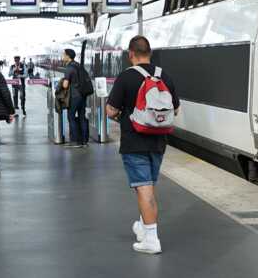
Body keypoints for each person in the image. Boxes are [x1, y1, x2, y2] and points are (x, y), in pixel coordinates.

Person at [105, 36, 180, 254]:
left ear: (131, 54)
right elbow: (175, 109)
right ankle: (143, 227)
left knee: (144, 188)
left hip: (134, 141)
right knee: (147, 187)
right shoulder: (163, 75)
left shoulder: (126, 77)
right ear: (150, 52)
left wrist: (121, 115)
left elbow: (110, 110)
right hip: (158, 142)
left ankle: (151, 240)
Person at [60, 48, 92, 148]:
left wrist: (61, 84)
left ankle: (75, 141)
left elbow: (65, 85)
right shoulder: (79, 66)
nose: (62, 56)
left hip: (74, 96)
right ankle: (84, 141)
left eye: (63, 55)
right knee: (82, 117)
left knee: (71, 117)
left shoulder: (69, 68)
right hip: (83, 95)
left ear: (68, 56)